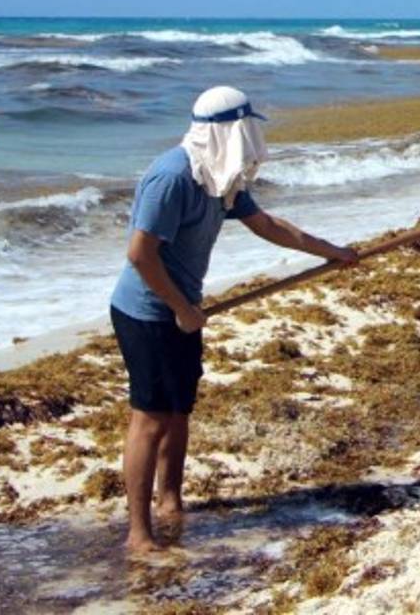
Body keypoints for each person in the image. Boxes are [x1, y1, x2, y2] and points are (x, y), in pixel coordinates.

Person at [109, 86, 358, 553]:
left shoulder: (220, 178)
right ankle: (138, 533)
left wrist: (333, 252)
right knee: (151, 418)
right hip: (146, 312)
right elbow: (141, 255)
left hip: (184, 311)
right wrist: (181, 308)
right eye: (246, 128)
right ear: (226, 130)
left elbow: (267, 225)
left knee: (179, 410)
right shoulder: (173, 178)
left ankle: (171, 501)